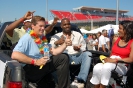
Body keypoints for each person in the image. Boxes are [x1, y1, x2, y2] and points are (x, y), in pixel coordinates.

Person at [11, 16, 73, 88]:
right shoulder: (27, 38)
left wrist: (65, 44)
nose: (43, 28)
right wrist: (35, 61)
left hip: (42, 66)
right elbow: (15, 55)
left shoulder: (41, 37)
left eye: (44, 26)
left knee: (63, 57)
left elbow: (55, 52)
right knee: (63, 58)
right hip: (31, 69)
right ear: (33, 26)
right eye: (40, 26)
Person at [50, 18, 92, 88]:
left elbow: (84, 48)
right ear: (61, 26)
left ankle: (79, 80)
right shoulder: (56, 36)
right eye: (65, 24)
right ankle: (68, 82)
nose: (67, 26)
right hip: (65, 58)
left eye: (68, 24)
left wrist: (79, 49)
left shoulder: (78, 34)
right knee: (64, 56)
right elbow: (50, 48)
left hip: (77, 56)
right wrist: (57, 43)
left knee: (88, 54)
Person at [90, 20, 133, 88]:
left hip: (122, 65)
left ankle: (103, 86)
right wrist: (109, 59)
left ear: (127, 30)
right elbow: (111, 53)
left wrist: (115, 60)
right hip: (111, 62)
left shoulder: (132, 42)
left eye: (120, 28)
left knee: (107, 66)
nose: (118, 30)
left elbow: (131, 59)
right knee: (97, 67)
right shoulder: (116, 39)